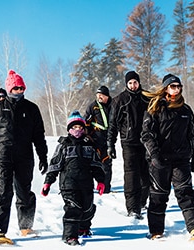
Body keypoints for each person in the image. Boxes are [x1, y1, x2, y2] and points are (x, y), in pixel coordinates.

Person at [0, 70, 49, 245]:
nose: (19, 90)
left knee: (24, 192)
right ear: (9, 88)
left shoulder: (31, 108)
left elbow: (39, 135)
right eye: (15, 87)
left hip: (24, 156)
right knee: (2, 192)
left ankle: (26, 226)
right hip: (3, 157)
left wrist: (43, 157)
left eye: (21, 87)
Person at [140, 74, 194, 241]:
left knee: (186, 194)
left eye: (179, 86)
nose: (177, 89)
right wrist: (154, 155)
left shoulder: (186, 110)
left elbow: (192, 135)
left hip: (181, 159)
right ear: (166, 88)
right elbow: (146, 135)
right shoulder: (155, 108)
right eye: (173, 86)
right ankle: (156, 231)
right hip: (159, 160)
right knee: (159, 196)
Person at [41, 110, 106, 246]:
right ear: (69, 129)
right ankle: (70, 236)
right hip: (68, 184)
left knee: (88, 208)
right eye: (74, 127)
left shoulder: (89, 145)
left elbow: (96, 165)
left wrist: (100, 181)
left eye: (80, 127)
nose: (78, 130)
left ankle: (83, 228)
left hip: (86, 183)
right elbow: (55, 165)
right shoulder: (64, 145)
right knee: (73, 208)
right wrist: (48, 182)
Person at [107, 70, 150, 220]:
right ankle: (133, 209)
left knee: (147, 176)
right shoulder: (119, 100)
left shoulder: (147, 98)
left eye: (135, 82)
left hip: (147, 142)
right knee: (132, 176)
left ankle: (142, 202)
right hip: (129, 143)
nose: (133, 85)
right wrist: (110, 145)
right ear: (126, 84)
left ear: (139, 83)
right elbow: (113, 125)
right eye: (130, 83)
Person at [84, 86, 113, 193]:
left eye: (102, 95)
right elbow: (85, 122)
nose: (100, 97)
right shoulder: (92, 107)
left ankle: (106, 188)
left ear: (107, 96)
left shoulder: (112, 105)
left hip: (108, 139)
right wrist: (86, 136)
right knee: (93, 164)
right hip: (95, 140)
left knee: (107, 164)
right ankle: (90, 187)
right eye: (98, 95)